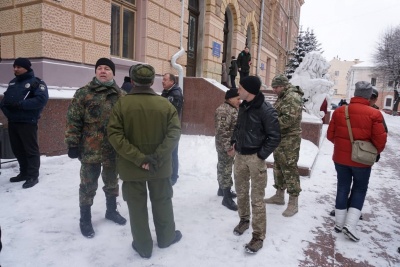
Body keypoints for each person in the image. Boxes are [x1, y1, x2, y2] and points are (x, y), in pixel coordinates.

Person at [108, 64, 182, 259]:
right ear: (152, 82)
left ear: (132, 81)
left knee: (136, 206)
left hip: (132, 167)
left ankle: (143, 246)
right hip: (160, 166)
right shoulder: (166, 105)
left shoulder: (121, 105)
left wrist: (139, 159)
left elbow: (115, 135)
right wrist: (156, 157)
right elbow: (174, 134)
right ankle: (166, 238)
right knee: (163, 201)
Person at [65, 57, 127, 238]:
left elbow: (127, 123)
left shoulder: (122, 96)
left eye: (107, 68)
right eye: (99, 68)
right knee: (87, 185)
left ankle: (111, 211)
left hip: (113, 149)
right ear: (95, 72)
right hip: (89, 149)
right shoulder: (83, 93)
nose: (102, 71)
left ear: (113, 73)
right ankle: (85, 219)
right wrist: (72, 144)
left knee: (112, 182)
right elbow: (73, 120)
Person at [327, 81, 387, 242]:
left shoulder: (340, 111)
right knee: (359, 189)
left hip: (340, 159)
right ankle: (350, 225)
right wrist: (369, 152)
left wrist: (343, 147)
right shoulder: (374, 114)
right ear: (369, 95)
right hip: (362, 161)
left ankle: (339, 224)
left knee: (342, 187)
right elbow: (380, 141)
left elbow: (330, 135)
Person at [231, 76, 281, 254]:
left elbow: (275, 136)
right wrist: (234, 142)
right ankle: (244, 220)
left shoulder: (266, 110)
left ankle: (258, 236)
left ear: (249, 90)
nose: (238, 90)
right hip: (240, 156)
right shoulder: (244, 105)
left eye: (240, 87)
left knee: (257, 198)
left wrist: (261, 155)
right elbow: (239, 128)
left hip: (255, 158)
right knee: (241, 192)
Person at [0, 57, 49, 189]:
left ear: (26, 68)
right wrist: (7, 111)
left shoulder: (36, 83)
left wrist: (20, 105)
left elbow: (41, 100)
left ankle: (33, 175)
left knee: (30, 150)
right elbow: (5, 101)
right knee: (18, 149)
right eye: (14, 66)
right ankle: (24, 172)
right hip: (13, 121)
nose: (15, 69)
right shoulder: (12, 83)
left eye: (19, 67)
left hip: (28, 122)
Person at [264, 74, 304, 217]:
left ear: (283, 85)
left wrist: (269, 125)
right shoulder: (283, 96)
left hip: (290, 139)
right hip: (280, 137)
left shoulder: (292, 97)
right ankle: (279, 195)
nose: (274, 90)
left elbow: (288, 119)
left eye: (276, 87)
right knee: (279, 166)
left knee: (289, 167)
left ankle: (293, 201)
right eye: (273, 87)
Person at [215, 88, 241, 211]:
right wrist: (228, 148)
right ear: (230, 98)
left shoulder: (231, 108)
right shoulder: (224, 111)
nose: (239, 101)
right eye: (238, 98)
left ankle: (222, 190)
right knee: (225, 169)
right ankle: (226, 198)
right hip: (225, 146)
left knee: (224, 166)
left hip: (228, 145)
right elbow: (222, 132)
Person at [161, 73, 184, 185]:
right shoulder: (166, 92)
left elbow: (169, 112)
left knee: (173, 152)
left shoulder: (175, 94)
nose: (163, 81)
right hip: (166, 127)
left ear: (172, 82)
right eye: (162, 79)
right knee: (168, 151)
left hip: (172, 128)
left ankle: (174, 176)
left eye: (165, 79)